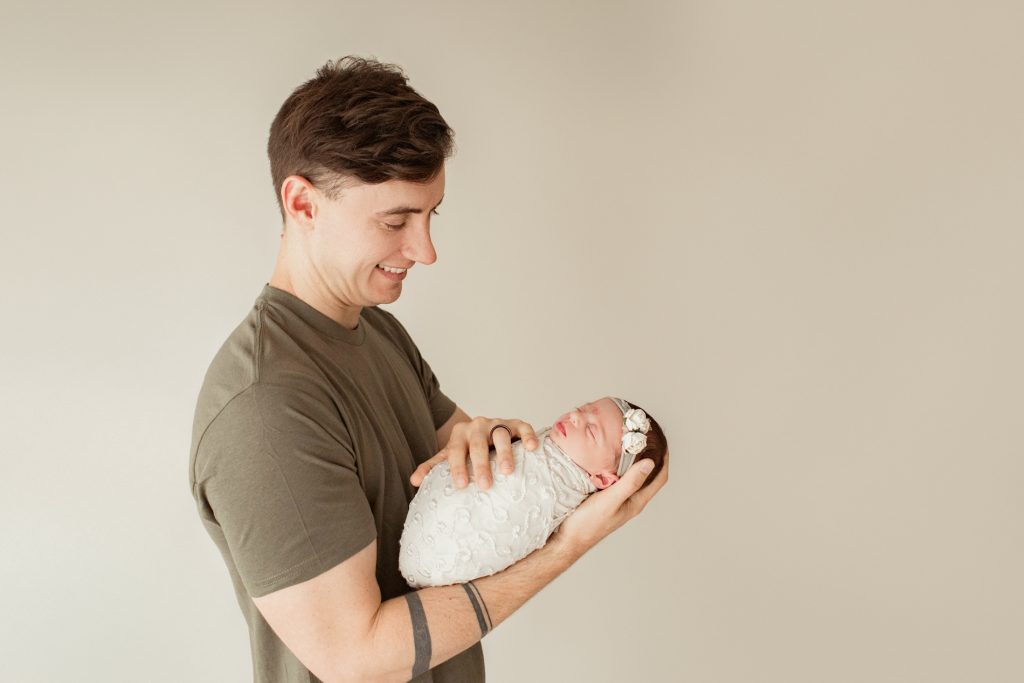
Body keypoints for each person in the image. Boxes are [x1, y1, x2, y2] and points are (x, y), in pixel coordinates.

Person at [188, 55, 669, 683]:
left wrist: (496, 441)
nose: (426, 251)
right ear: (303, 204)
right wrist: (569, 544)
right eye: (396, 221)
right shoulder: (265, 409)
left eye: (430, 215)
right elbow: (356, 659)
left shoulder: (377, 329)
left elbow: (470, 463)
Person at [400, 397, 668, 588]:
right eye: (583, 409)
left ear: (603, 479)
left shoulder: (563, 491)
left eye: (590, 430)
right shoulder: (535, 438)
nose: (575, 417)